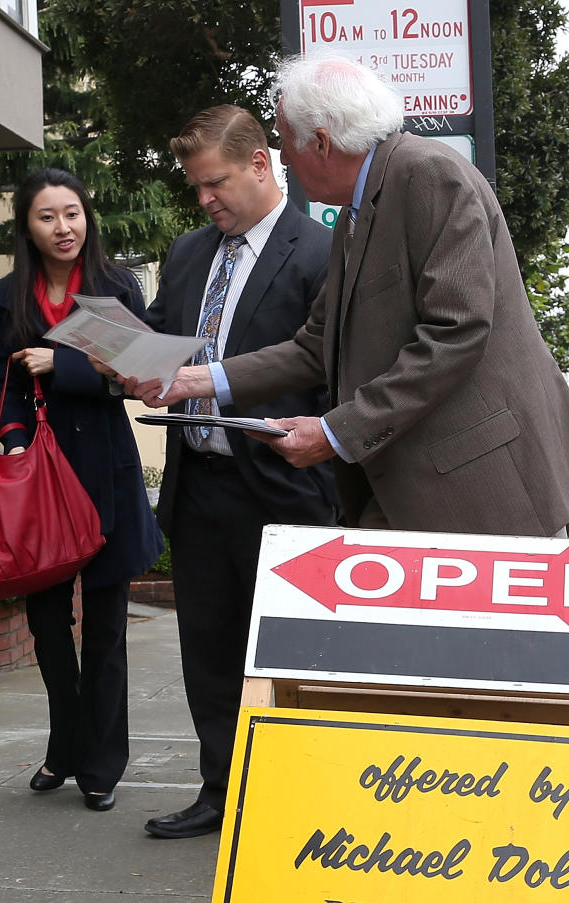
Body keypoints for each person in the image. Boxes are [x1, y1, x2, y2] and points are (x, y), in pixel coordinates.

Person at [135, 56, 569, 537]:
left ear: (321, 143)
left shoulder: (430, 175)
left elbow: (456, 333)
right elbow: (316, 344)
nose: (284, 160)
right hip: (412, 486)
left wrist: (335, 432)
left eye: (286, 144)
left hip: (482, 487)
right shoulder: (357, 211)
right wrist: (196, 381)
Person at [137, 106, 338, 839]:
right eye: (194, 187)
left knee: (294, 660)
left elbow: (333, 377)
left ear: (261, 165)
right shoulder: (189, 252)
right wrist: (129, 361)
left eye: (213, 182)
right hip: (198, 490)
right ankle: (221, 791)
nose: (204, 200)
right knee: (210, 653)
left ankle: (301, 803)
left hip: (287, 493)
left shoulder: (321, 253)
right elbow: (162, 340)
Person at [0, 167, 164, 813]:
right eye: (47, 217)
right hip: (39, 477)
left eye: (73, 213)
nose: (64, 228)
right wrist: (8, 436)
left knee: (107, 629)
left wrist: (67, 365)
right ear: (28, 228)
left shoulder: (115, 287)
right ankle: (66, 744)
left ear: (87, 218)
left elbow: (143, 374)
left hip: (106, 473)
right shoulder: (11, 294)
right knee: (48, 626)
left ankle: (101, 764)